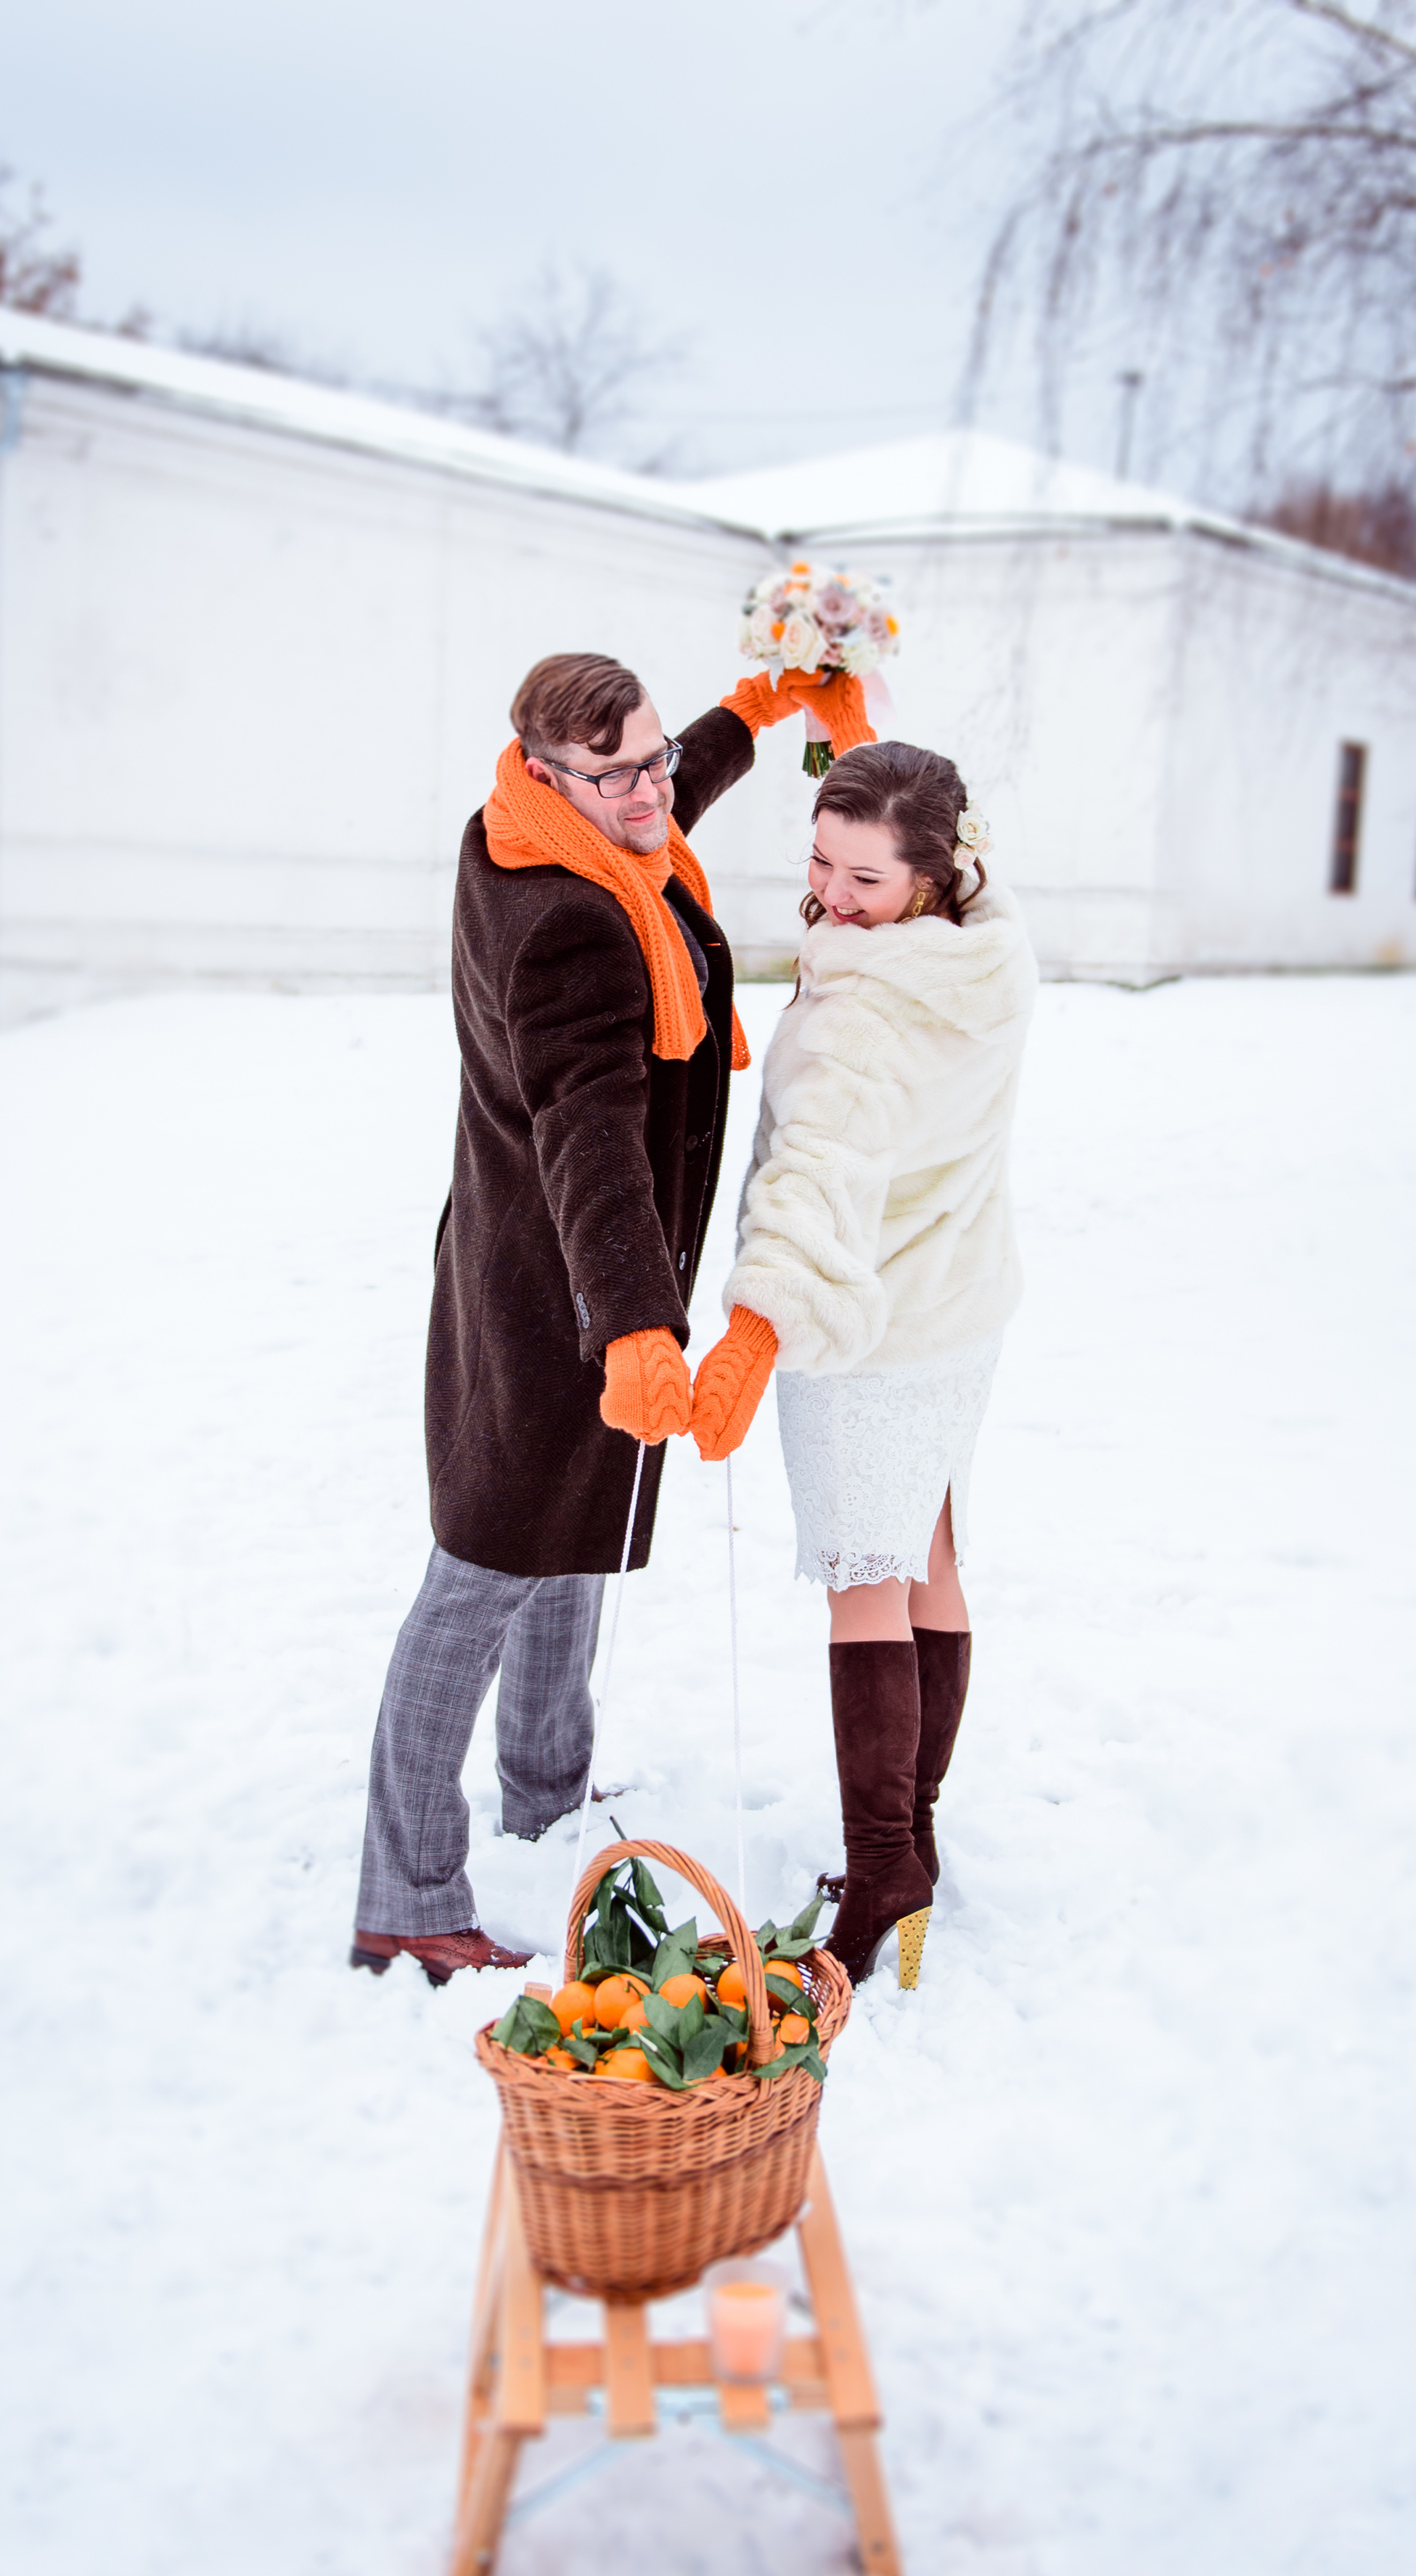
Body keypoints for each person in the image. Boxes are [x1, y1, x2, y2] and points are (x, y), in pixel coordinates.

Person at [351, 648, 870, 1982]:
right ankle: (407, 1895)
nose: (652, 790)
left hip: (543, 1262)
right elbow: (590, 1133)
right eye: (618, 773)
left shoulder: (541, 822)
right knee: (482, 1573)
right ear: (546, 774)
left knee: (574, 1537)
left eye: (653, 757)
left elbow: (670, 780)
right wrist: (634, 1324)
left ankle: (545, 1793)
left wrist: (751, 715)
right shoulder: (572, 921)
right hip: (559, 1281)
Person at [687, 742, 1036, 1988]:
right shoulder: (985, 952)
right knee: (930, 1551)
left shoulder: (864, 1017)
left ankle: (883, 1858)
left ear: (933, 873)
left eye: (867, 878)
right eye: (822, 862)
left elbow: (816, 1174)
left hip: (869, 1329)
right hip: (958, 1309)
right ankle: (917, 1841)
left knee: (863, 1581)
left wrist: (757, 1323)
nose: (835, 895)